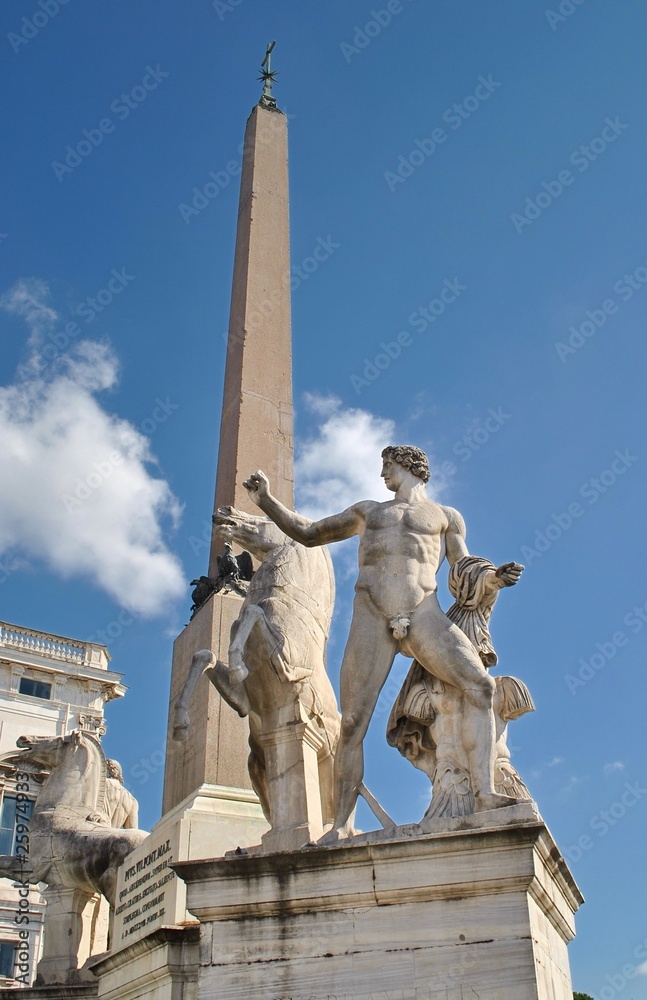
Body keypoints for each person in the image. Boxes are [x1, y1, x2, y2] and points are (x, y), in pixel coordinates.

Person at [244, 445, 523, 841]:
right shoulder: (368, 512)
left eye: (387, 466)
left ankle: (485, 795)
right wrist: (266, 501)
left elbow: (462, 566)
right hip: (371, 615)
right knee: (352, 723)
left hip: (423, 613)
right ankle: (341, 824)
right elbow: (309, 533)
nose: (382, 475)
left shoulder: (445, 517)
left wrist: (492, 578)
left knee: (480, 686)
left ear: (409, 467)